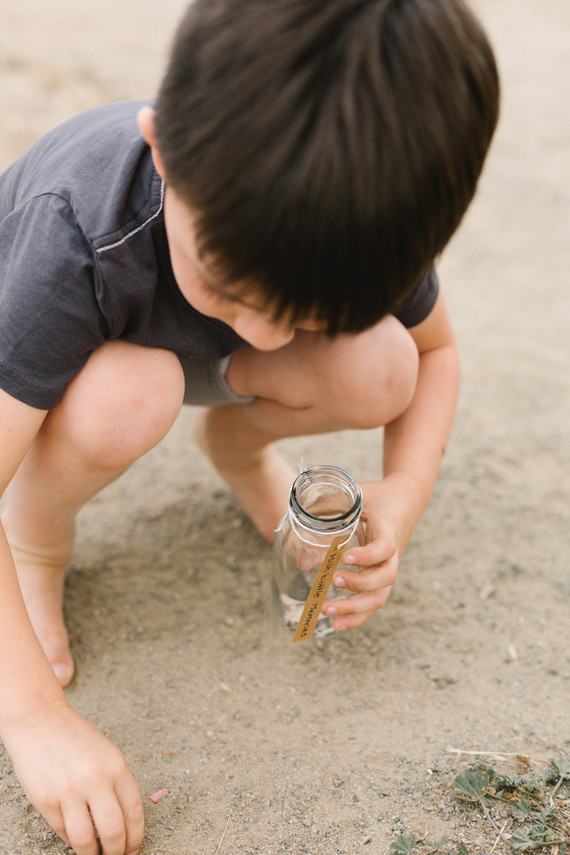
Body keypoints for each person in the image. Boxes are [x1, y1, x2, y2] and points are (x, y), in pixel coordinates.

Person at [0, 0, 499, 852]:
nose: (269, 333)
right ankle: (37, 537)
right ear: (161, 147)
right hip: (65, 358)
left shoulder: (360, 221)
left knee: (384, 365)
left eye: (302, 313)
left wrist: (405, 493)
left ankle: (234, 445)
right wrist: (34, 715)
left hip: (182, 350)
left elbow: (437, 356)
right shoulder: (75, 226)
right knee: (133, 391)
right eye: (231, 285)